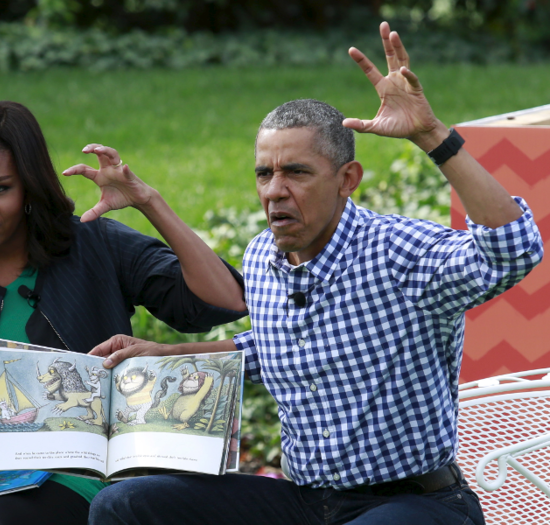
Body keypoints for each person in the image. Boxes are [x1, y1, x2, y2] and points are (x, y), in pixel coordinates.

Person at [86, 22, 543, 525]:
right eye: (265, 173)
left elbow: (513, 251)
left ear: (347, 179)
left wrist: (432, 135)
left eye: (297, 172)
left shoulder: (398, 251)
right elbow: (273, 347)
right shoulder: (264, 256)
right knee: (124, 505)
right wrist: (168, 354)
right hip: (307, 502)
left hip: (413, 502)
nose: (274, 190)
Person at [0, 99, 247, 525]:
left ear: (29, 187)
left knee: (0, 522)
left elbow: (223, 301)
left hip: (71, 474)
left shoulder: (91, 244)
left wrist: (148, 202)